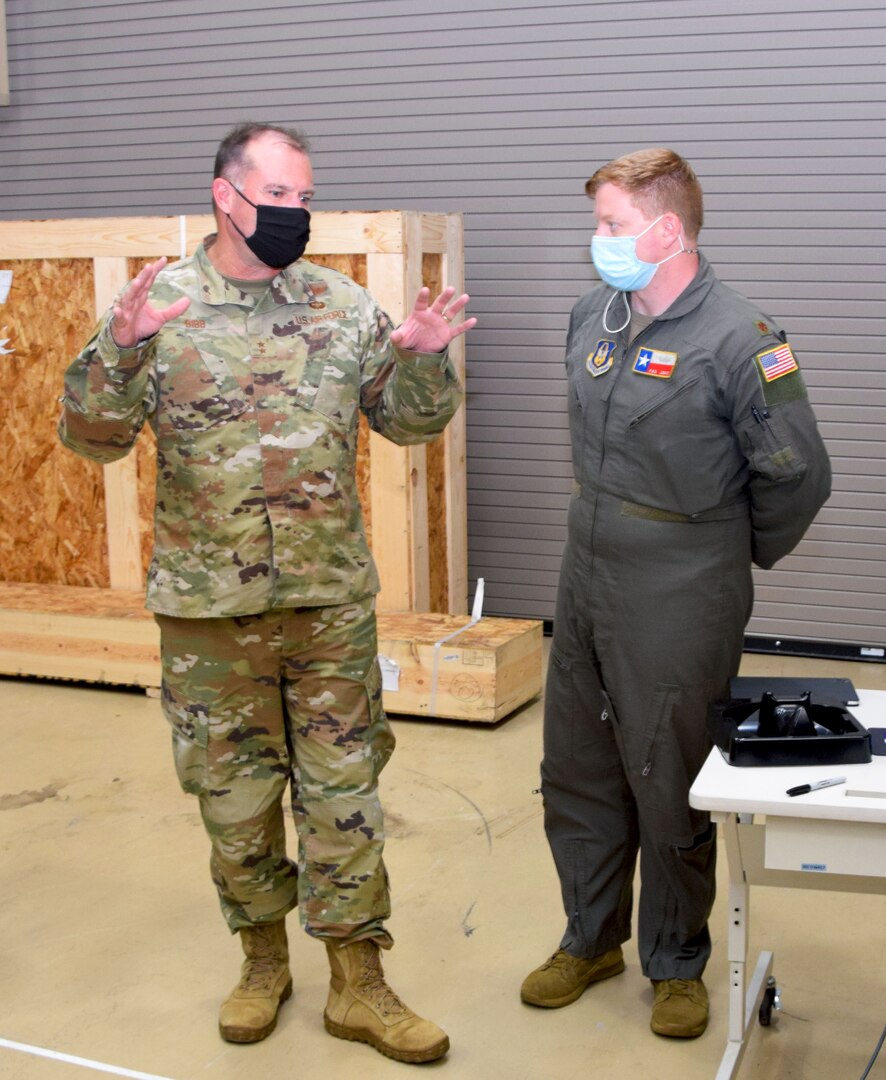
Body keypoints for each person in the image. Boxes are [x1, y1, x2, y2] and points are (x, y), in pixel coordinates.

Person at [58, 122, 474, 1064]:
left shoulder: (337, 303)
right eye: (277, 196)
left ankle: (359, 984)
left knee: (345, 795)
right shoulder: (155, 304)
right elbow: (90, 439)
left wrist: (416, 353)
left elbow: (411, 425)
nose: (294, 213)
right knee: (234, 801)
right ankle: (260, 962)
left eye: (303, 197)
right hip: (210, 615)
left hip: (326, 604)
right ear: (225, 195)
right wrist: (120, 350)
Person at [521, 148, 831, 1038]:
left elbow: (797, 476)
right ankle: (590, 938)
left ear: (666, 229)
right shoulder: (594, 315)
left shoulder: (742, 339)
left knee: (667, 775)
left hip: (680, 581)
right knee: (576, 765)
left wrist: (722, 555)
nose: (598, 241)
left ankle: (677, 959)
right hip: (586, 567)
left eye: (612, 224)